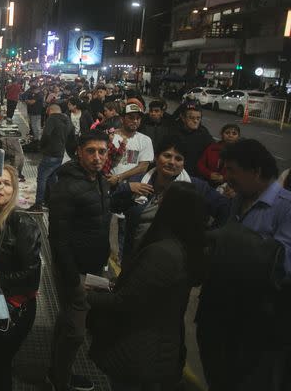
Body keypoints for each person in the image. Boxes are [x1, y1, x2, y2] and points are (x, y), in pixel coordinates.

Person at [87, 182, 208, 390]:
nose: (158, 201)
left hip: (140, 348)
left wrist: (87, 295)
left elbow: (125, 301)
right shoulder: (185, 246)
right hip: (158, 346)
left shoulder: (163, 253)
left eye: (164, 198)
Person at [196, 139, 291, 391]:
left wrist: (227, 242)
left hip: (254, 324)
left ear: (256, 171)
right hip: (217, 312)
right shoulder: (237, 200)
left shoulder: (286, 208)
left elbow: (282, 265)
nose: (226, 178)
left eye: (232, 171)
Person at [48, 130, 112, 391]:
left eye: (102, 152)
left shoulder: (99, 180)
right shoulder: (66, 186)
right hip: (74, 269)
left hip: (93, 265)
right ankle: (60, 380)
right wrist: (74, 279)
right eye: (91, 151)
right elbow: (58, 239)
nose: (98, 157)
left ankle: (55, 372)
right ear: (79, 152)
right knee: (75, 331)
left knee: (68, 322)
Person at [0, 164, 41, 391]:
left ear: (14, 191)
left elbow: (31, 276)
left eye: (6, 184)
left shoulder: (22, 223)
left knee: (1, 366)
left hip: (14, 310)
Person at [111, 137, 230, 261]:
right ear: (156, 157)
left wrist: (205, 238)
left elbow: (225, 208)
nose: (172, 162)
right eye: (167, 156)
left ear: (184, 163)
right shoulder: (138, 181)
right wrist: (127, 188)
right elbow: (114, 206)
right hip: (134, 256)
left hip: (172, 263)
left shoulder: (195, 187)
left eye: (178, 159)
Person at [32, 103, 74, 212]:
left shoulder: (52, 119)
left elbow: (46, 135)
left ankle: (38, 204)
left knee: (42, 178)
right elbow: (71, 137)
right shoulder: (67, 120)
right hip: (60, 154)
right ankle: (53, 202)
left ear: (50, 110)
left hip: (50, 153)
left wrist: (41, 146)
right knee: (52, 179)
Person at [107, 104, 154, 187]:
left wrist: (118, 178)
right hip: (107, 182)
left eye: (138, 118)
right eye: (131, 118)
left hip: (131, 186)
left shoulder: (145, 140)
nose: (135, 121)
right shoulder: (111, 136)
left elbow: (143, 167)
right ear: (122, 119)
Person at [172, 104, 213, 176]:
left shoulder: (204, 134)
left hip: (196, 175)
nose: (195, 121)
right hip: (176, 172)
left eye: (198, 118)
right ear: (183, 118)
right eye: (191, 118)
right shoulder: (174, 132)